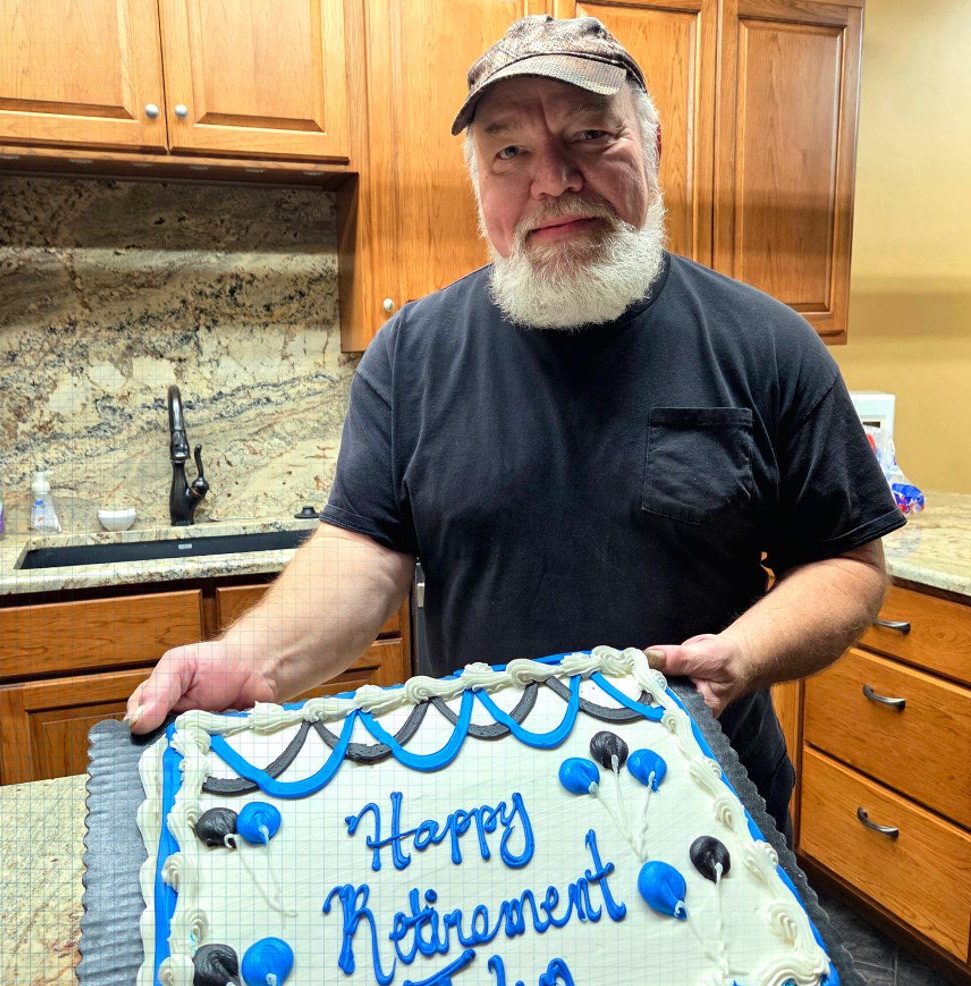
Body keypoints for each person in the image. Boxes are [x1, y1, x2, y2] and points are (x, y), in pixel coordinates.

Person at [127, 14, 904, 844]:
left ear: (652, 145)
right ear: (480, 180)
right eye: (510, 152)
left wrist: (740, 659)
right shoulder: (413, 353)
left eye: (590, 135)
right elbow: (362, 553)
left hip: (708, 798)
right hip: (487, 820)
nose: (552, 180)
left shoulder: (769, 344)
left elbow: (847, 564)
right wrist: (251, 662)